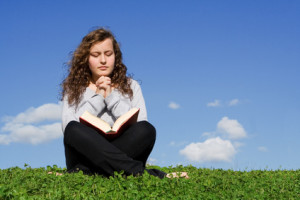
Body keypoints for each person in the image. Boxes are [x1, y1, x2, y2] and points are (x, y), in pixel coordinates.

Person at [60, 28, 168, 178]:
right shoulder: (73, 88)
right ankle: (144, 174)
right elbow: (69, 129)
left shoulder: (132, 86)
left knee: (147, 129)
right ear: (86, 58)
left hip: (124, 149)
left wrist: (111, 97)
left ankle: (89, 172)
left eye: (108, 54)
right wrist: (98, 97)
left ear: (115, 56)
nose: (103, 60)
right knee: (73, 128)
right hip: (85, 153)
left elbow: (139, 122)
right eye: (96, 55)